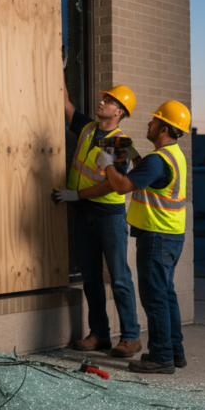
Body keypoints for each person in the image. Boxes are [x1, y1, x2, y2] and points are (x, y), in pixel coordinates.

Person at [96, 100, 191, 374]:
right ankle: (175, 351)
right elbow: (146, 172)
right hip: (171, 236)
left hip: (156, 237)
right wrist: (130, 152)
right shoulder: (172, 154)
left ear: (163, 128)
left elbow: (123, 186)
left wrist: (108, 165)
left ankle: (161, 357)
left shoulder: (157, 160)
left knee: (154, 298)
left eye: (153, 121)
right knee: (166, 295)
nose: (148, 124)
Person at [50, 82, 142, 359]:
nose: (101, 102)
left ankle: (131, 337)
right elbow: (65, 103)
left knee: (119, 278)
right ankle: (100, 333)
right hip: (84, 212)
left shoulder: (121, 143)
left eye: (109, 101)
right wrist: (60, 65)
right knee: (90, 278)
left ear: (120, 112)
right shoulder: (89, 127)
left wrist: (75, 194)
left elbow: (115, 185)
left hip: (108, 216)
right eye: (104, 99)